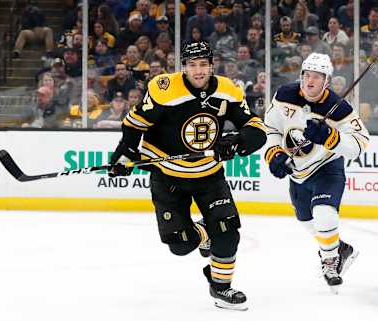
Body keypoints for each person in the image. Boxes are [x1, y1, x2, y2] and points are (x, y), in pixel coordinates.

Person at [108, 41, 266, 310]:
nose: (198, 70)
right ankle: (204, 232)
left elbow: (255, 126)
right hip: (168, 177)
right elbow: (135, 123)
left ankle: (221, 288)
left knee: (227, 231)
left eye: (203, 64)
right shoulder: (164, 88)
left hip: (209, 175)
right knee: (180, 245)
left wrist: (238, 140)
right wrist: (125, 154)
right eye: (192, 65)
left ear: (211, 66)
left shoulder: (229, 90)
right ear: (184, 67)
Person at [264, 53, 370, 292]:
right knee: (307, 221)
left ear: (327, 81)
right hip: (298, 173)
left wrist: (331, 138)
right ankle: (339, 248)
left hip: (326, 169)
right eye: (307, 75)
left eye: (317, 77)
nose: (310, 81)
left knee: (324, 215)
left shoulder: (338, 108)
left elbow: (361, 143)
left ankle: (330, 262)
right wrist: (274, 154)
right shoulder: (284, 95)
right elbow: (271, 127)